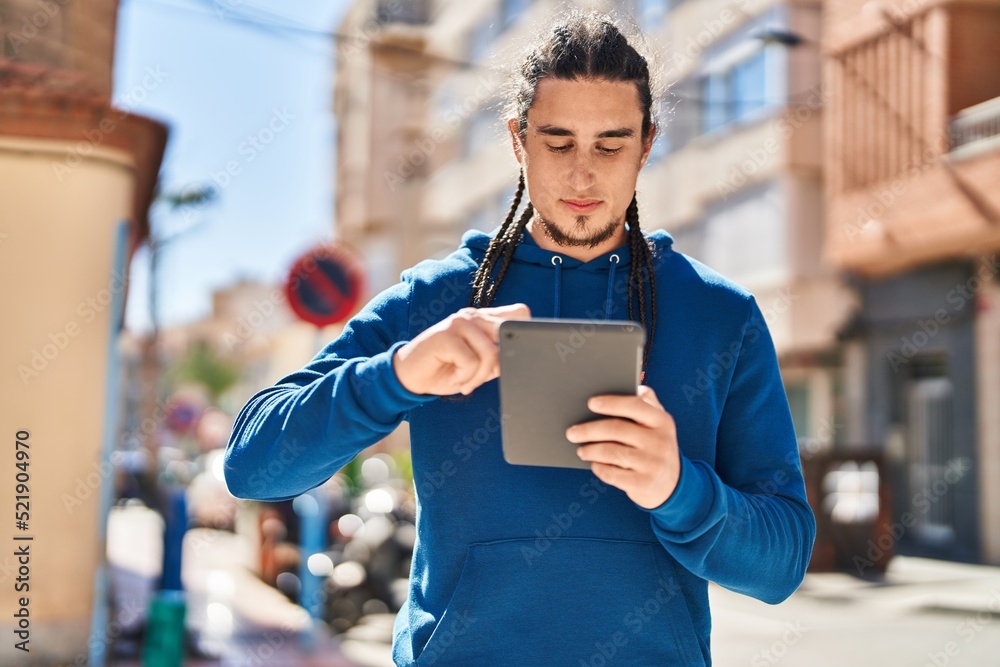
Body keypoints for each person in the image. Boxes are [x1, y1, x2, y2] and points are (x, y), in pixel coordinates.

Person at [225, 10, 816, 666]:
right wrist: (397, 375)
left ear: (648, 144)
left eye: (611, 144)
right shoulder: (436, 300)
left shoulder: (719, 314)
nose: (583, 175)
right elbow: (252, 466)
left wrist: (680, 488)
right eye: (558, 142)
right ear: (517, 141)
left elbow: (782, 562)